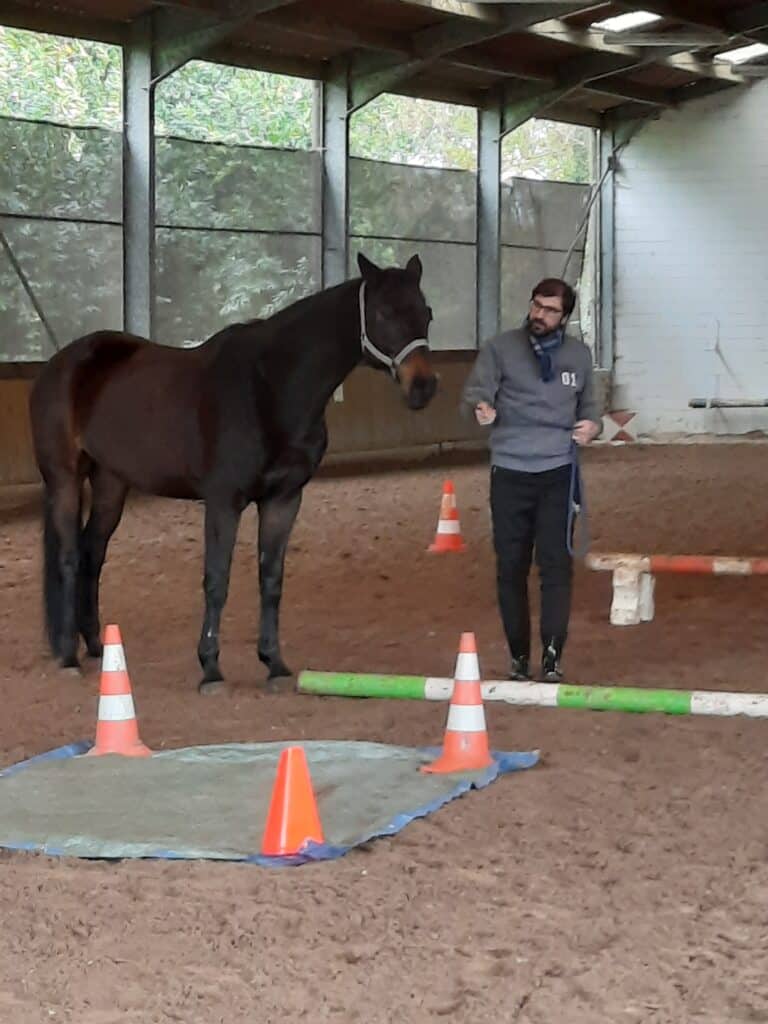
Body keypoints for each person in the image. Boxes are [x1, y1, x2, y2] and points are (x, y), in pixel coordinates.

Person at [462, 278, 601, 682]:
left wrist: (592, 426)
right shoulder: (500, 349)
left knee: (556, 565)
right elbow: (474, 393)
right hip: (510, 471)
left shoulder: (579, 356)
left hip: (559, 472)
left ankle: (553, 656)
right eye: (537, 305)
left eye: (550, 310)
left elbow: (591, 406)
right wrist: (480, 407)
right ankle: (519, 656)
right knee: (511, 566)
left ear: (565, 316)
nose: (540, 315)